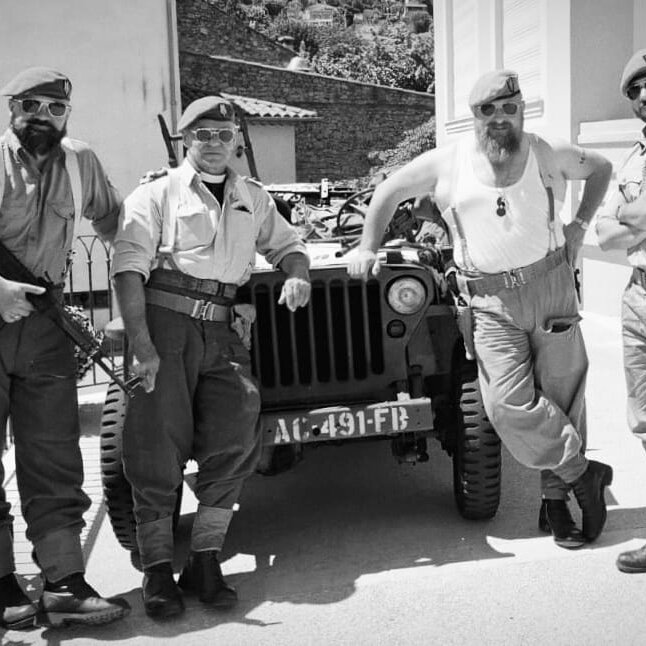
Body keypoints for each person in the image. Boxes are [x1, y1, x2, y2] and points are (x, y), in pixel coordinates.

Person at [348, 69, 614, 549]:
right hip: (488, 302)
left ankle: (556, 504)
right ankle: (582, 472)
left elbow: (601, 168)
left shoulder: (545, 152)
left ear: (521, 110)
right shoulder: (447, 162)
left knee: (562, 396)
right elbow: (388, 191)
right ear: (474, 115)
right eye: (488, 110)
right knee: (506, 406)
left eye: (509, 108)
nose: (500, 118)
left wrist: (578, 226)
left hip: (550, 286)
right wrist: (368, 245)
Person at [112, 96, 311, 619]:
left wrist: (297, 274)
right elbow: (128, 270)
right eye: (204, 134)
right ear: (186, 140)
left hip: (221, 327)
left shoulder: (252, 197)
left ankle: (205, 559)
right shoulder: (155, 193)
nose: (215, 143)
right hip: (165, 321)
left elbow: (288, 245)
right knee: (155, 443)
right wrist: (142, 345)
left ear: (236, 141)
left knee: (236, 429)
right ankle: (157, 569)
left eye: (224, 134)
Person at [0, 67, 130, 629]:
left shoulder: (80, 163)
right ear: (12, 107)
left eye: (56, 108)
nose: (44, 117)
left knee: (54, 457)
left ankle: (63, 583)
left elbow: (116, 223)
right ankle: (3, 583)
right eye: (32, 105)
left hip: (45, 328)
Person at [597, 49, 646, 573]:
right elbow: (606, 231)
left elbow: (630, 219)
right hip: (638, 293)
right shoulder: (635, 157)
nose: (644, 95)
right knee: (645, 420)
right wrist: (634, 219)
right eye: (636, 88)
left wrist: (631, 218)